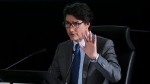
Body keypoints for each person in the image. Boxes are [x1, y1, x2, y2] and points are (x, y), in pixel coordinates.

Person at [49, 2, 121, 84]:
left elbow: (116, 76)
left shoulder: (104, 44)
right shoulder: (62, 47)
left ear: (87, 24)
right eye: (68, 23)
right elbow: (52, 77)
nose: (71, 29)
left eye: (76, 24)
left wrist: (95, 57)